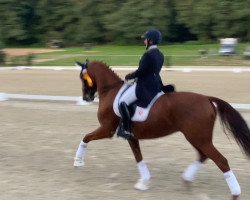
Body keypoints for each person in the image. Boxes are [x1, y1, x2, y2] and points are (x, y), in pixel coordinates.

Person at [118, 28, 164, 138]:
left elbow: (141, 71)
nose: (144, 41)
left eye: (146, 40)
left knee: (122, 102)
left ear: (151, 41)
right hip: (156, 84)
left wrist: (129, 76)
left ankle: (126, 129)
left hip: (144, 85)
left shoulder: (147, 55)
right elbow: (152, 71)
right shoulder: (161, 55)